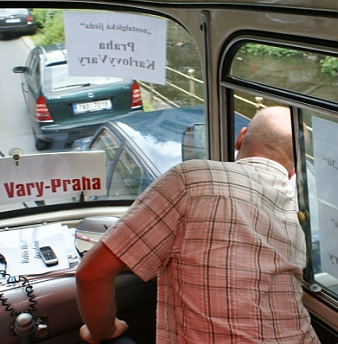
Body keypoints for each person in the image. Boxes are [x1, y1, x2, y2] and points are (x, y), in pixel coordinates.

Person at [75, 106, 321, 344]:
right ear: (291, 172)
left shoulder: (191, 180)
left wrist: (102, 332)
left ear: (240, 137)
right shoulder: (296, 218)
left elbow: (91, 273)